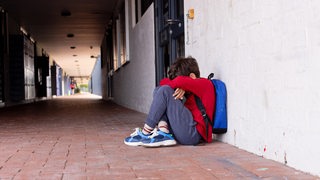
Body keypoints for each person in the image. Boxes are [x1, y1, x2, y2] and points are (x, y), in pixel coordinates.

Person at [124, 56, 215, 147]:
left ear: (192, 76)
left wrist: (183, 85)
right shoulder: (191, 88)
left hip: (194, 135)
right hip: (183, 131)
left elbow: (177, 82)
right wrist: (183, 86)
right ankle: (163, 131)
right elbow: (163, 82)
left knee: (165, 91)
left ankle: (145, 132)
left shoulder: (205, 84)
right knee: (159, 90)